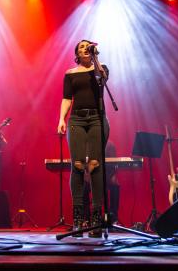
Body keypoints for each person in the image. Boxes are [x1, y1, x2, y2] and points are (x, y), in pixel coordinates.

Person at [57, 39, 109, 238]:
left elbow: (102, 79)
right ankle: (78, 219)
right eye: (81, 47)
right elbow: (66, 98)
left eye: (88, 46)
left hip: (97, 119)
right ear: (77, 54)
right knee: (77, 165)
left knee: (95, 165)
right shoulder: (70, 74)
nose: (85, 49)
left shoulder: (101, 68)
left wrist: (95, 58)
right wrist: (61, 119)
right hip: (77, 120)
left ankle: (96, 219)